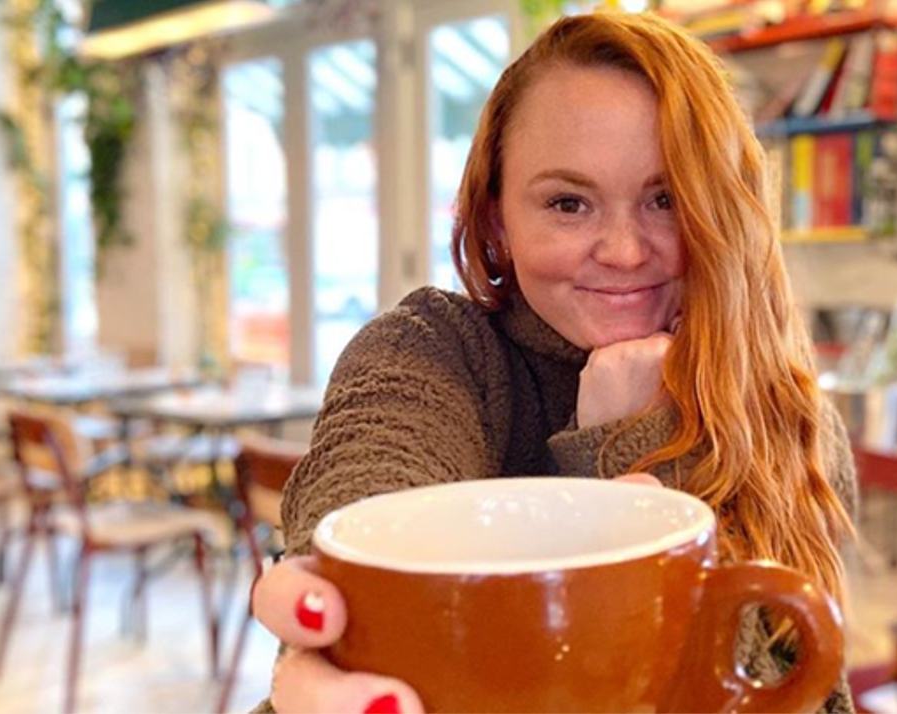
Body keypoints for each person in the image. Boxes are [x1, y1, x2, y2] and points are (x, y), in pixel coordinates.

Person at [247, 9, 858, 714]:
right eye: (569, 203)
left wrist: (632, 446)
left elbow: (809, 693)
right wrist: (337, 620)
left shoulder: (790, 418)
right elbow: (373, 503)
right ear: (499, 217)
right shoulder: (434, 351)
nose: (625, 250)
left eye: (666, 198)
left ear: (723, 209)